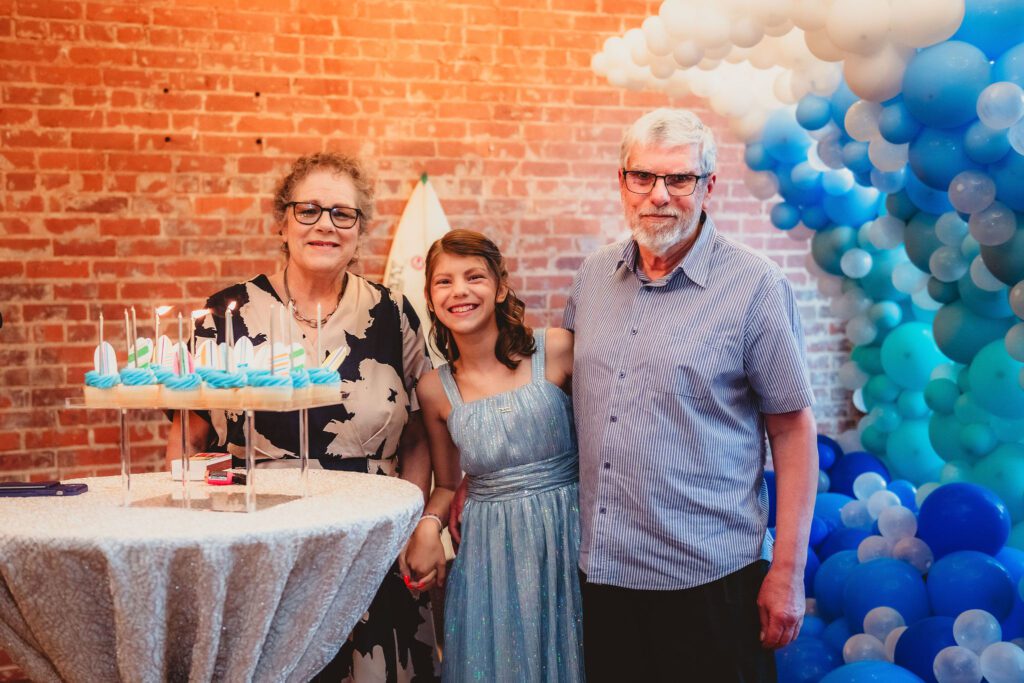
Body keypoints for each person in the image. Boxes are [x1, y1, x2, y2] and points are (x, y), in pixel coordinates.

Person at [165, 152, 440, 682]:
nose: (325, 226)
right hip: (258, 546)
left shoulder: (394, 313)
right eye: (308, 210)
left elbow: (419, 437)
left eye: (343, 214)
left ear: (361, 230)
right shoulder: (227, 314)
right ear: (282, 222)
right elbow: (189, 434)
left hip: (371, 549)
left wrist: (413, 520)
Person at [566, 108, 818, 682]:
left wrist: (789, 570)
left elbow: (792, 428)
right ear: (622, 182)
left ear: (708, 187)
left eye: (679, 179)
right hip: (604, 577)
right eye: (643, 177)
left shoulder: (754, 286)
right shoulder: (593, 278)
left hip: (711, 582)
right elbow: (558, 401)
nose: (659, 195)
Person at [402, 230, 584, 682]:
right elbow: (446, 484)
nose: (459, 291)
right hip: (489, 554)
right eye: (444, 282)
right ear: (429, 296)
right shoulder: (434, 389)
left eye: (474, 277)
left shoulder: (559, 349)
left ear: (500, 286)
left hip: (569, 534)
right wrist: (428, 527)